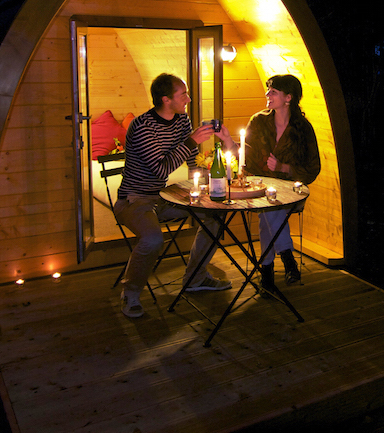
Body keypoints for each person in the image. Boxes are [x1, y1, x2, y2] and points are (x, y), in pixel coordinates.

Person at [114, 73, 232, 319]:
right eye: (183, 95)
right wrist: (191, 141)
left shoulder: (181, 120)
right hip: (134, 199)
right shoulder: (142, 126)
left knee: (214, 215)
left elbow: (191, 162)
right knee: (153, 240)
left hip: (163, 196)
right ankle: (131, 292)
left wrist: (212, 179)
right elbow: (161, 168)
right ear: (166, 100)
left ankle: (195, 278)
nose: (188, 99)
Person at [242, 74, 320, 291]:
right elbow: (246, 157)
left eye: (273, 91)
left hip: (292, 190)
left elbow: (313, 169)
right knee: (269, 207)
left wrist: (284, 168)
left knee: (269, 211)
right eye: (268, 90)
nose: (267, 94)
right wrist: (230, 144)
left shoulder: (303, 129)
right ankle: (286, 258)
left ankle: (266, 272)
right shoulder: (258, 121)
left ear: (288, 97)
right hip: (261, 187)